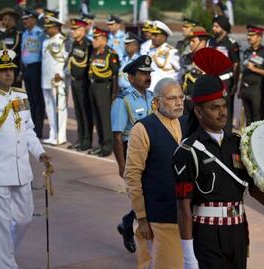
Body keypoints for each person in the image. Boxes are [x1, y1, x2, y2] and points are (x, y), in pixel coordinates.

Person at [173, 48, 264, 269]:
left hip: (238, 229)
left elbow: (254, 188)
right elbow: (183, 207)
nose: (223, 113)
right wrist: (188, 254)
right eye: (214, 108)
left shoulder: (238, 143)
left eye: (224, 106)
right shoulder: (188, 151)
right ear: (199, 113)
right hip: (207, 233)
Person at [0, 49, 52, 269]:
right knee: (2, 225)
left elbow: (28, 131)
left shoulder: (21, 96)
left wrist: (40, 152)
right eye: (3, 71)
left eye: (11, 70)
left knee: (24, 218)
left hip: (21, 171)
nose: (9, 74)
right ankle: (7, 264)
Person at [124, 77, 185, 269]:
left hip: (184, 215)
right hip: (157, 217)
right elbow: (132, 176)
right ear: (156, 102)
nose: (178, 102)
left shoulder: (185, 123)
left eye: (181, 97)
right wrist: (141, 217)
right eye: (172, 98)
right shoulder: (142, 129)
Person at [111, 55, 154, 254]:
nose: (147, 76)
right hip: (133, 151)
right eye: (142, 73)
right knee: (145, 195)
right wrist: (122, 165)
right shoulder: (123, 101)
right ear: (130, 77)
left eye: (148, 73)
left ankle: (127, 223)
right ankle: (132, 227)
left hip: (152, 151)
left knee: (151, 195)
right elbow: (118, 136)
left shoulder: (152, 97)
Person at [88, 27, 119, 157]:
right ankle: (101, 144)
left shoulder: (111, 54)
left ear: (103, 39)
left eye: (96, 38)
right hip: (93, 87)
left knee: (105, 118)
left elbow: (115, 75)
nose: (93, 41)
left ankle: (107, 146)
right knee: (97, 118)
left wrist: (113, 94)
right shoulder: (95, 52)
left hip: (104, 88)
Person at [207, 15, 240, 129]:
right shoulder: (210, 41)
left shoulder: (231, 43)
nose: (213, 28)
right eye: (213, 26)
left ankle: (227, 136)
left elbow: (236, 64)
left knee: (225, 111)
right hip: (211, 80)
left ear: (223, 27)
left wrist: (235, 84)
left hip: (225, 82)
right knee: (212, 109)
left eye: (216, 26)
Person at [67, 18, 94, 151]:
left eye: (75, 29)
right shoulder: (75, 44)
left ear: (83, 30)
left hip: (84, 83)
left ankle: (87, 141)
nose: (72, 31)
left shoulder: (88, 44)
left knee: (85, 112)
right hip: (75, 81)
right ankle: (80, 138)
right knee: (78, 112)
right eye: (72, 29)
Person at [42, 15, 68, 145]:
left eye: (49, 27)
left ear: (56, 28)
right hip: (46, 80)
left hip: (57, 81)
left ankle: (60, 136)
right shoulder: (46, 42)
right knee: (50, 109)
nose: (46, 30)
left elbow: (68, 61)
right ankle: (53, 134)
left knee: (60, 109)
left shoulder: (63, 41)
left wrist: (62, 75)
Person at [238, 25, 264, 125]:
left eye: (252, 35)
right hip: (245, 88)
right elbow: (244, 72)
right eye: (248, 35)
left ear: (259, 37)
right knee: (248, 117)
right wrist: (240, 89)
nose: (249, 37)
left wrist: (254, 69)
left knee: (258, 117)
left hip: (257, 89)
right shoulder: (247, 51)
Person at [21, 9, 46, 139]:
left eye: (27, 19)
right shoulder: (24, 33)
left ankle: (38, 129)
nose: (24, 21)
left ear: (34, 20)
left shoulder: (40, 33)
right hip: (26, 69)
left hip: (36, 68)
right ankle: (31, 127)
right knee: (29, 100)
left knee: (37, 100)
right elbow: (22, 51)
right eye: (23, 19)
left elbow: (44, 52)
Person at [180, 26, 210, 114]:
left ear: (202, 42)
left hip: (201, 104)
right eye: (190, 41)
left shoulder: (210, 59)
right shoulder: (187, 58)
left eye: (193, 41)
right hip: (185, 102)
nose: (190, 44)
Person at [147, 20, 181, 92]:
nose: (152, 37)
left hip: (165, 93)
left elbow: (181, 72)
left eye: (155, 35)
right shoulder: (150, 51)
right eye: (152, 34)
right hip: (150, 92)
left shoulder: (172, 52)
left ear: (164, 37)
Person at [0, 8, 22, 87]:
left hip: (14, 69)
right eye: (3, 20)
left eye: (5, 19)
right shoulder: (3, 34)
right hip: (3, 69)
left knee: (15, 95)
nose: (3, 22)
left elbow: (20, 53)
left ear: (12, 20)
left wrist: (20, 72)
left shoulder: (18, 34)